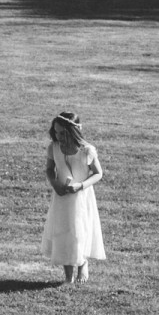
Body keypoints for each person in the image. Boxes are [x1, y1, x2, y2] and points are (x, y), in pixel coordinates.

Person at [40, 111, 106, 283]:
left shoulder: (86, 150)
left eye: (63, 133)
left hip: (81, 198)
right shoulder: (53, 147)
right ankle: (68, 272)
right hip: (61, 198)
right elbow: (49, 169)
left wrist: (80, 185)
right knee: (63, 231)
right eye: (56, 132)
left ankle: (82, 263)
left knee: (79, 232)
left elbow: (98, 174)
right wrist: (55, 184)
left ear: (74, 131)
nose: (59, 136)